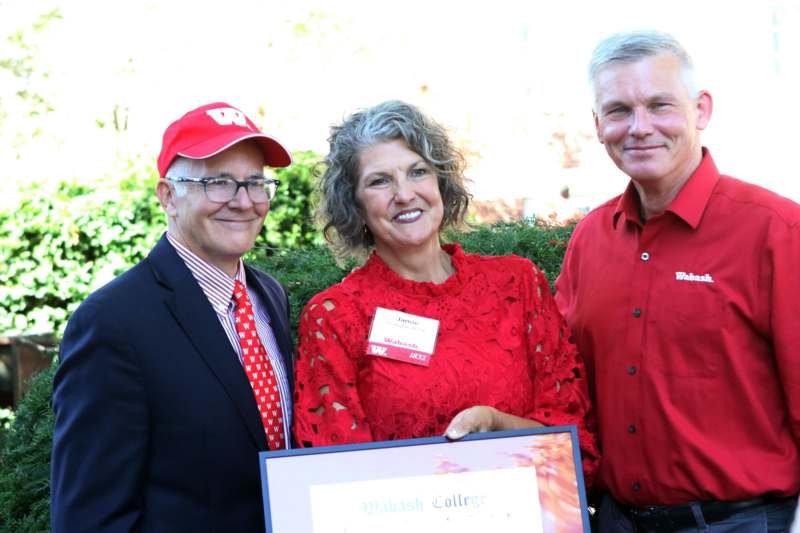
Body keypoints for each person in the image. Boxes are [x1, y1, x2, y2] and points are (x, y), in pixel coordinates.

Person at [555, 30, 800, 532]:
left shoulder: (777, 232)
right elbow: (564, 387)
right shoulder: (589, 240)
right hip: (616, 520)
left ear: (701, 110)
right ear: (599, 125)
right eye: (619, 110)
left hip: (743, 522)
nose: (639, 127)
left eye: (659, 105)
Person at [292, 100, 599, 483]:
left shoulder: (518, 286)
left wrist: (496, 424)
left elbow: (574, 446)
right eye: (379, 181)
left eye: (417, 171)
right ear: (354, 204)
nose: (404, 194)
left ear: (441, 182)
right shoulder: (335, 317)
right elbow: (335, 476)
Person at [51, 102, 295, 532]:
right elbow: (88, 519)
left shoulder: (269, 296)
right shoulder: (112, 322)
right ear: (168, 196)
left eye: (255, 182)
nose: (243, 201)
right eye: (218, 182)